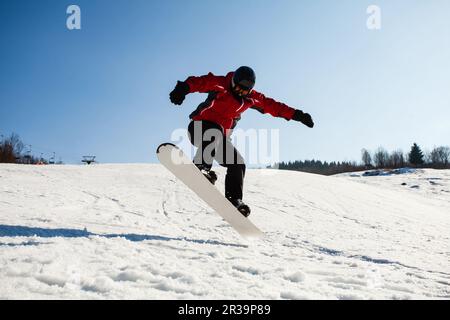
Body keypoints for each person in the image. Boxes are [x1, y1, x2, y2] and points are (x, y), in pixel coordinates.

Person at [169, 66, 314, 217]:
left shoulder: (252, 98)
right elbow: (200, 82)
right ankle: (201, 166)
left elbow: (274, 106)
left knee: (238, 163)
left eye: (244, 91)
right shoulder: (221, 84)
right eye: (237, 88)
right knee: (215, 132)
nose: (240, 92)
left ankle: (234, 200)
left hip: (219, 140)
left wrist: (298, 115)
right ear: (233, 81)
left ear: (250, 90)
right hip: (199, 128)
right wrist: (183, 88)